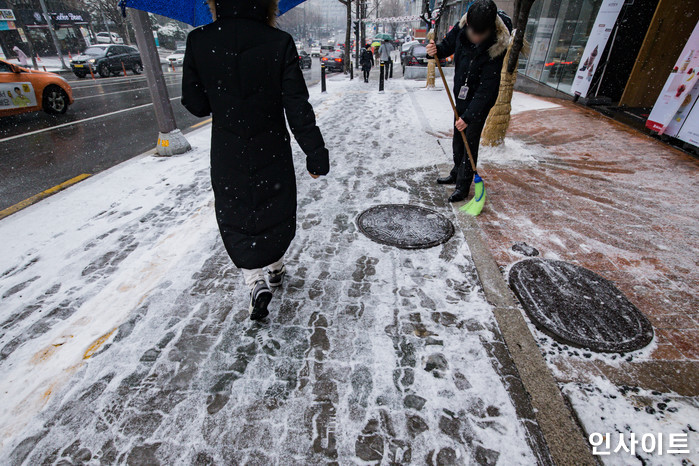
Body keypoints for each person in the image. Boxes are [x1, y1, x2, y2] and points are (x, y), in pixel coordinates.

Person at [181, 0, 330, 321]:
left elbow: (195, 104)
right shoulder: (279, 42)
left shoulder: (199, 40)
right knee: (273, 206)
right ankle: (275, 265)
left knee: (237, 210)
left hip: (227, 149)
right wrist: (315, 153)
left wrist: (220, 93)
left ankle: (255, 280)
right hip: (271, 145)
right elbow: (297, 106)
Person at [427, 0, 511, 202]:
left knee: (469, 141)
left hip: (479, 102)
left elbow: (488, 89)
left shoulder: (497, 46)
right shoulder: (463, 26)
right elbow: (447, 46)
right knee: (458, 136)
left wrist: (470, 116)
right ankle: (457, 171)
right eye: (473, 32)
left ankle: (463, 186)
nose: (475, 37)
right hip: (462, 94)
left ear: (490, 30)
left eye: (480, 34)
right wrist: (435, 50)